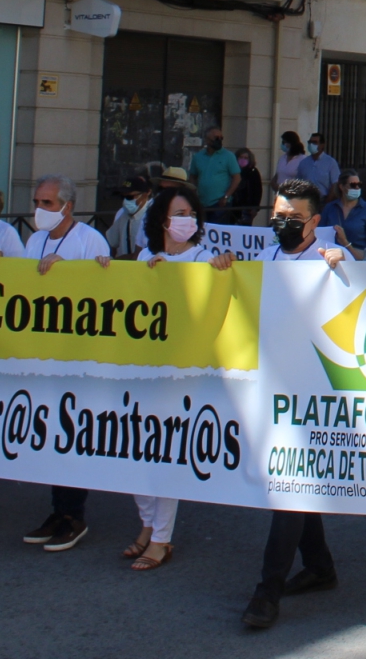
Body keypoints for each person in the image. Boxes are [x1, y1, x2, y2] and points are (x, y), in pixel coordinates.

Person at [242, 183, 353, 630]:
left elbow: (361, 303)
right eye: (277, 212)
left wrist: (346, 268)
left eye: (291, 216)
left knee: (289, 487)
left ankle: (267, 591)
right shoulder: (266, 260)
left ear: (313, 223)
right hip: (272, 392)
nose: (280, 221)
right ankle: (321, 566)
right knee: (295, 485)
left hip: (314, 398)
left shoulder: (327, 262)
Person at [122, 192, 236, 570]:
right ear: (162, 221)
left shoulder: (202, 258)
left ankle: (161, 538)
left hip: (179, 371)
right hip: (142, 368)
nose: (187, 219)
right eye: (179, 213)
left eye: (191, 213)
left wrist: (223, 265)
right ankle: (146, 524)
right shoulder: (144, 258)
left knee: (163, 450)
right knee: (135, 451)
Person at [15, 175, 113, 552]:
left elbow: (103, 291)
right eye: (37, 201)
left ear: (67, 207)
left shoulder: (90, 240)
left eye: (48, 203)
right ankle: (58, 510)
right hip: (45, 352)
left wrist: (67, 272)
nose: (40, 210)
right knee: (52, 432)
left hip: (79, 354)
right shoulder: (34, 240)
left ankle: (74, 514)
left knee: (72, 430)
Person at [186, 126, 242, 214]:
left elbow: (237, 178)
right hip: (202, 202)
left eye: (221, 138)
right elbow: (193, 176)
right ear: (207, 140)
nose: (219, 141)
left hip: (220, 203)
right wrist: (194, 194)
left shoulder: (228, 156)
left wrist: (226, 197)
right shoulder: (198, 157)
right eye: (216, 138)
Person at [321, 170, 366, 257]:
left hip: (358, 259)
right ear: (342, 187)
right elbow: (321, 234)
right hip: (331, 257)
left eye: (359, 185)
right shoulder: (329, 208)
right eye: (353, 185)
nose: (357, 188)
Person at [103, 176, 156, 259]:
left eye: (130, 197)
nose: (126, 201)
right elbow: (111, 241)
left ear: (146, 194)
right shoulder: (123, 215)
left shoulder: (153, 217)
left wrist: (119, 260)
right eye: (123, 197)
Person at [297, 133, 341, 198]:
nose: (311, 144)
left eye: (315, 142)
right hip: (307, 200)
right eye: (310, 142)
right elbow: (298, 182)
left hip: (323, 199)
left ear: (322, 145)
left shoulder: (331, 162)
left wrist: (328, 202)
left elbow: (335, 184)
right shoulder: (303, 163)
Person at [232, 148, 265, 224]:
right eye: (241, 157)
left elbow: (257, 191)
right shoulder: (233, 171)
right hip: (233, 206)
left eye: (246, 158)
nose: (243, 160)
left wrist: (255, 208)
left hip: (247, 208)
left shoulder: (253, 172)